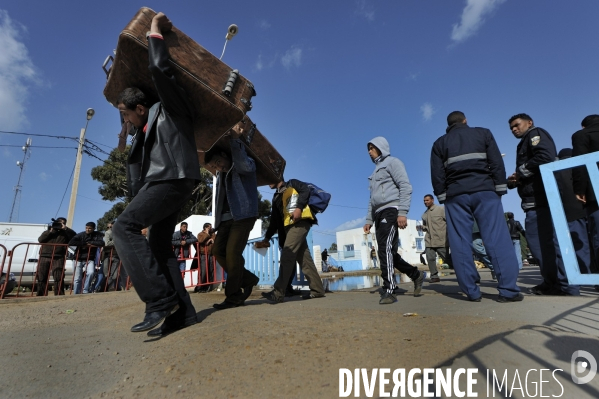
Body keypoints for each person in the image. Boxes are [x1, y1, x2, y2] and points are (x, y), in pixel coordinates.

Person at [112, 12, 200, 337]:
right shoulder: (142, 132)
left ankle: (159, 301)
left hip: (173, 178)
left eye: (125, 115)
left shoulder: (170, 107)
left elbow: (158, 69)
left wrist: (153, 32)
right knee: (161, 244)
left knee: (124, 227)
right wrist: (124, 136)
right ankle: (184, 313)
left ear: (140, 108)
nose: (125, 122)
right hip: (169, 181)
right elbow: (131, 164)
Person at [431, 111, 521, 302]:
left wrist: (442, 196)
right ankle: (508, 291)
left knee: (460, 243)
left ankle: (472, 292)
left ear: (448, 125)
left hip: (456, 195)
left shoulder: (440, 143)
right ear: (465, 121)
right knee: (496, 239)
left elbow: (437, 173)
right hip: (485, 191)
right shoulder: (484, 133)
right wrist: (499, 189)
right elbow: (496, 162)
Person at [507, 113, 579, 296]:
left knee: (546, 243)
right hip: (535, 199)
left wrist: (520, 173)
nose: (514, 129)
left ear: (529, 123)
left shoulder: (535, 134)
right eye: (511, 128)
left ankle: (565, 285)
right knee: (542, 244)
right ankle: (553, 282)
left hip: (543, 198)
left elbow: (545, 157)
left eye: (517, 125)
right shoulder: (523, 142)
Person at [363, 137, 426, 305]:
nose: (369, 151)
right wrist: (369, 219)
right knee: (388, 252)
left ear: (380, 147)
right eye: (368, 149)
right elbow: (372, 199)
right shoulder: (375, 172)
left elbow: (405, 186)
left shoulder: (393, 163)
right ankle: (416, 275)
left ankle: (390, 289)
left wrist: (402, 212)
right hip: (378, 214)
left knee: (384, 249)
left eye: (372, 148)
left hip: (391, 210)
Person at [205, 126, 260, 310]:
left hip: (243, 215)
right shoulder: (220, 176)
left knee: (232, 253)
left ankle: (234, 296)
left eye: (219, 161)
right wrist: (215, 224)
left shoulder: (244, 164)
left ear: (225, 154)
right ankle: (248, 279)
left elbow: (245, 166)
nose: (218, 167)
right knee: (217, 251)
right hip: (226, 220)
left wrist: (235, 141)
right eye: (215, 166)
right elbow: (219, 201)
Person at [258, 177, 326, 302]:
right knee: (305, 259)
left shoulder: (292, 183)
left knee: (287, 254)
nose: (268, 182)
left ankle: (278, 292)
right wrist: (267, 237)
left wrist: (299, 208)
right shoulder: (276, 197)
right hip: (288, 227)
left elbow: (305, 190)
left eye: (269, 179)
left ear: (277, 176)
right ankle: (318, 290)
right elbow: (274, 220)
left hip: (300, 222)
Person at [555, 148, 592, 274]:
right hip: (585, 210)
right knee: (587, 245)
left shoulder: (557, 171)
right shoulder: (580, 167)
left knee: (573, 247)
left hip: (568, 213)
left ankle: (580, 276)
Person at [572, 115, 599, 271]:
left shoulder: (582, 135)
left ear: (584, 126)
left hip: (595, 190)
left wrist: (580, 189)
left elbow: (580, 164)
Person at [36, 217, 76, 296]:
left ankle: (59, 295)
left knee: (58, 276)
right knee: (42, 276)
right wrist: (51, 231)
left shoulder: (66, 233)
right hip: (45, 255)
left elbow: (74, 238)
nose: (60, 225)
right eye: (59, 223)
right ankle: (41, 295)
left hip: (58, 256)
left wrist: (66, 229)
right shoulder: (48, 231)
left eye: (63, 223)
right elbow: (40, 240)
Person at [421, 194, 452, 283]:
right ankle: (434, 276)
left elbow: (449, 221)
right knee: (430, 257)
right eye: (424, 201)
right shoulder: (424, 215)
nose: (425, 202)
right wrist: (422, 227)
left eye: (427, 200)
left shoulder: (441, 210)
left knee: (447, 259)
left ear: (432, 200)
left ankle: (462, 272)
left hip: (441, 239)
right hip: (429, 240)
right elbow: (425, 226)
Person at [69, 222, 104, 294]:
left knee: (91, 273)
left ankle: (85, 290)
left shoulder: (97, 235)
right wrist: (84, 243)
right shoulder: (80, 234)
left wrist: (90, 242)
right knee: (77, 278)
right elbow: (71, 242)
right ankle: (76, 293)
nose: (87, 230)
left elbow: (102, 243)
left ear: (94, 228)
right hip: (78, 259)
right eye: (86, 228)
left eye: (89, 228)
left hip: (90, 258)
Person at [95, 222, 122, 292]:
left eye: (111, 227)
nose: (110, 228)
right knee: (106, 274)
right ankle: (101, 288)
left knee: (114, 275)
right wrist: (117, 240)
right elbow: (107, 243)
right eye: (109, 227)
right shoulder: (108, 233)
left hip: (117, 256)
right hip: (107, 256)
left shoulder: (120, 234)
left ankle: (105, 288)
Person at [195, 223, 216, 292]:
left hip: (211, 254)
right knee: (203, 271)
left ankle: (209, 286)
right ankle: (200, 287)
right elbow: (201, 240)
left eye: (210, 227)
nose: (210, 228)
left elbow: (215, 239)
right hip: (204, 254)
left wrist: (211, 240)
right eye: (209, 227)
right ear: (205, 228)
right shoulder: (200, 234)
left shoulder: (212, 234)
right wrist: (207, 234)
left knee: (211, 270)